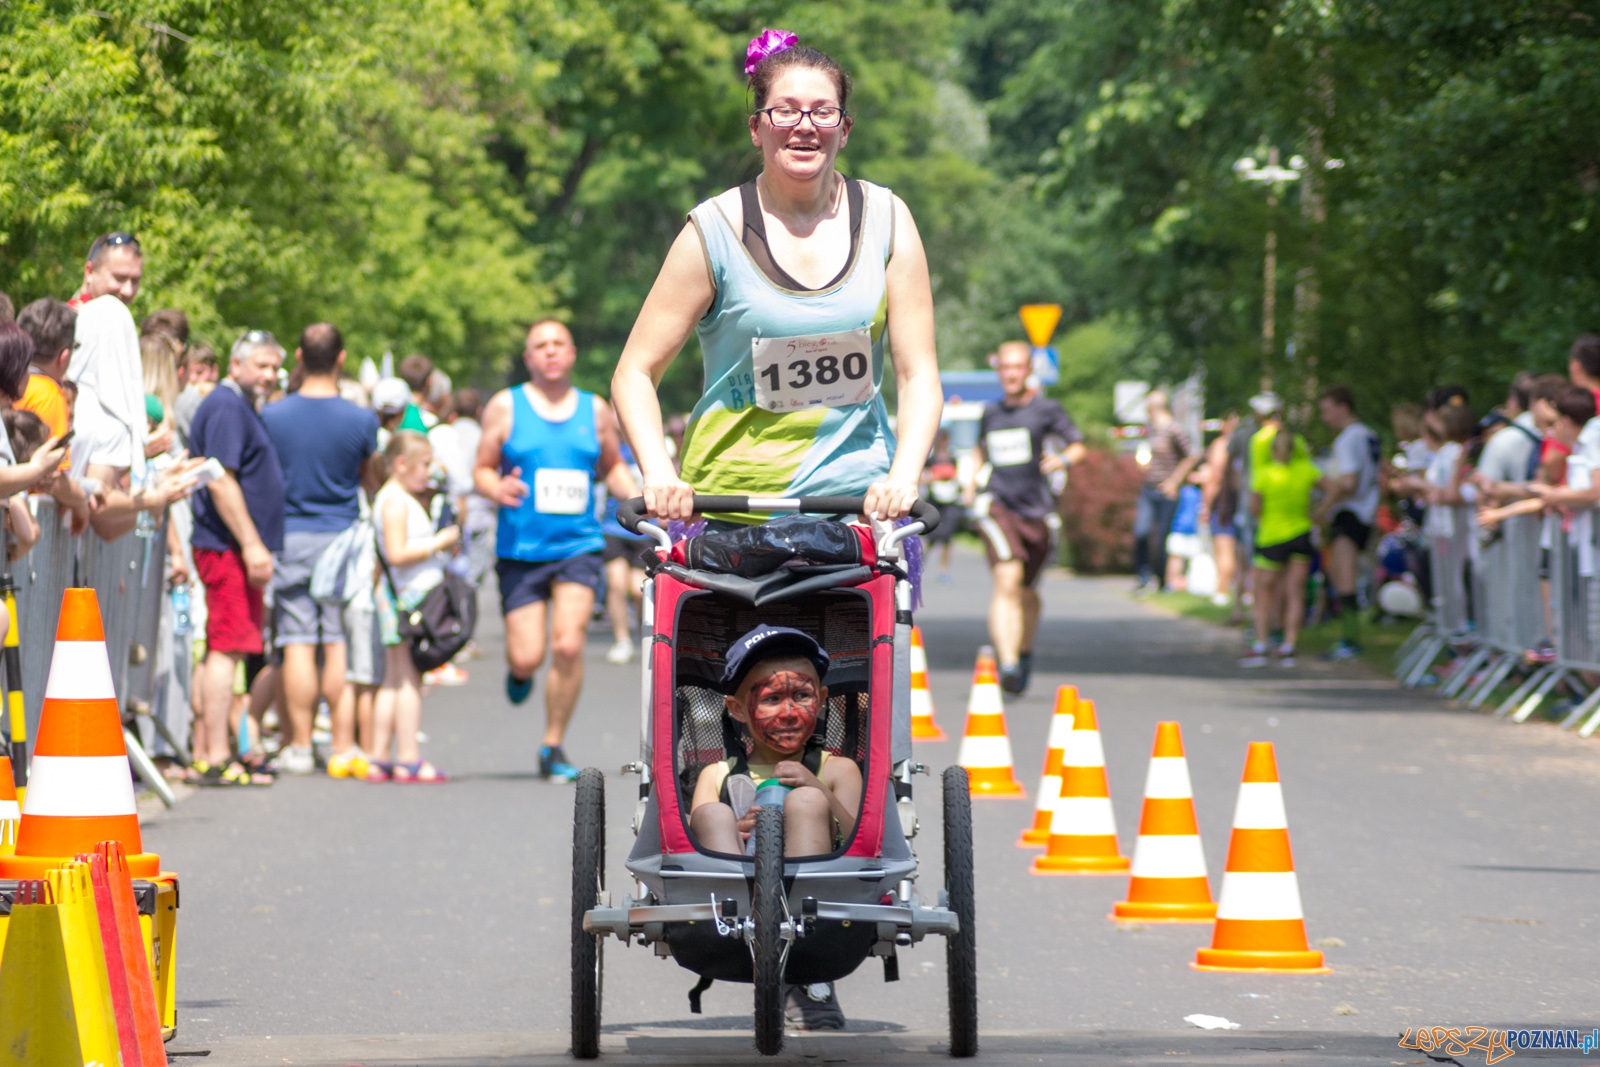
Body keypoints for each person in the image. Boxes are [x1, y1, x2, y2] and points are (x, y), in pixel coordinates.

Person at [609, 31, 942, 1031]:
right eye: (784, 109)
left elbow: (920, 372)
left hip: (845, 513)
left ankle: (831, 880)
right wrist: (660, 474)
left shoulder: (887, 220)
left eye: (820, 110)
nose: (803, 124)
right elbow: (634, 370)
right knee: (706, 694)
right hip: (726, 515)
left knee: (846, 693)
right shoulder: (713, 229)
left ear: (843, 124)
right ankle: (711, 852)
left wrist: (901, 475)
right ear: (757, 125)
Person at [474, 320, 637, 781]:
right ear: (528, 358)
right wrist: (496, 486)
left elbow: (613, 468)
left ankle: (552, 744)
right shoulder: (506, 406)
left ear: (572, 354)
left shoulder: (595, 409)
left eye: (558, 344)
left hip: (578, 546)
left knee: (568, 644)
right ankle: (520, 672)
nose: (549, 352)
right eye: (539, 346)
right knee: (527, 655)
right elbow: (482, 469)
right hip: (521, 550)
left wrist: (641, 505)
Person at [261, 324, 380, 776]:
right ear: (341, 358)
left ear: (297, 355)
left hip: (289, 535)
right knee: (336, 642)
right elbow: (370, 479)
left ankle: (299, 743)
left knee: (295, 640)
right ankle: (342, 742)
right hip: (341, 537)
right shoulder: (361, 419)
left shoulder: (273, 416)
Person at [189, 331, 287, 787]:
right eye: (261, 366)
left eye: (274, 368)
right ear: (236, 364)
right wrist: (250, 542)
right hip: (226, 546)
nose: (269, 375)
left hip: (234, 547)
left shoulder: (243, 405)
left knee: (230, 648)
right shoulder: (228, 406)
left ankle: (224, 749)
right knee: (225, 650)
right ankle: (213, 755)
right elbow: (219, 479)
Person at [970, 341, 1084, 694]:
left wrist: (1062, 460)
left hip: (1036, 511)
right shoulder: (990, 414)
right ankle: (1006, 664)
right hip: (998, 507)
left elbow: (1077, 446)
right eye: (1005, 367)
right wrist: (973, 482)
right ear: (998, 370)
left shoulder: (1047, 410)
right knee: (1008, 580)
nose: (1011, 374)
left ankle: (1023, 653)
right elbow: (979, 450)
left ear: (1028, 370)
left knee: (1027, 592)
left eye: (1017, 367)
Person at [690, 625, 862, 857]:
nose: (789, 712)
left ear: (821, 699)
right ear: (737, 709)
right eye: (771, 698)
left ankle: (802, 889)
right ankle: (733, 889)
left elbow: (862, 844)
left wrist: (817, 787)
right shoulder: (716, 776)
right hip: (736, 879)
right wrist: (735, 828)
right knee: (711, 814)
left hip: (822, 884)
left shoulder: (838, 771)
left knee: (807, 801)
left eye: (802, 696)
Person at [69, 294, 198, 542]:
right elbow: (101, 504)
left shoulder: (66, 396)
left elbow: (105, 523)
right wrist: (155, 496)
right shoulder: (111, 415)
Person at [368, 431, 455, 783]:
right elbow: (397, 552)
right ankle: (407, 757)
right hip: (404, 598)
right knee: (407, 679)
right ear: (401, 464)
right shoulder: (395, 500)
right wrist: (439, 542)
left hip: (394, 597)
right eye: (423, 464)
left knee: (392, 678)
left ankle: (378, 756)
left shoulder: (393, 496)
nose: (429, 472)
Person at [1241, 424, 1326, 668]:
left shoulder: (1264, 473)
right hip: (1300, 532)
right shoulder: (1306, 469)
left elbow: (1255, 507)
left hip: (1271, 535)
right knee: (1295, 592)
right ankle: (1289, 643)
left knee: (1263, 593)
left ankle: (1261, 642)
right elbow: (1334, 488)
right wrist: (1318, 513)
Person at [1313, 385, 1381, 661]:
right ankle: (1349, 636)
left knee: (1343, 574)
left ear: (1343, 407)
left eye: (1327, 411)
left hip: (1350, 512)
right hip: (1366, 511)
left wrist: (1323, 507)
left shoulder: (1347, 439)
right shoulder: (1368, 434)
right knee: (1343, 572)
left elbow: (1348, 482)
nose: (1325, 418)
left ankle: (1350, 638)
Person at [1133, 388, 1199, 593]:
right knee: (1141, 531)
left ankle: (1162, 581)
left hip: (1166, 490)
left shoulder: (1174, 429)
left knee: (1162, 538)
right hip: (1149, 488)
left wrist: (1174, 481)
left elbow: (1191, 455)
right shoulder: (1150, 429)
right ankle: (1143, 576)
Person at [600, 438, 650, 664]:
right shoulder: (612, 453)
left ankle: (645, 632)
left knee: (638, 590)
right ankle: (622, 640)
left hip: (646, 531)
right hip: (614, 527)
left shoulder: (652, 451)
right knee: (616, 584)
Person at [1200, 412, 1240, 609]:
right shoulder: (1251, 445)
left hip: (1224, 503)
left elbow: (1214, 478)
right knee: (1239, 551)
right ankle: (1244, 592)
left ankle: (1222, 590)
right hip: (1243, 502)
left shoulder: (1220, 446)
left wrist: (1206, 506)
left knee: (1223, 549)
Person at [921, 428, 961, 582]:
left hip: (950, 500)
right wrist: (936, 477)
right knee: (931, 538)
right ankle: (921, 563)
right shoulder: (930, 460)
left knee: (947, 538)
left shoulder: (953, 458)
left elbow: (957, 477)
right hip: (934, 500)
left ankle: (944, 570)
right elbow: (922, 478)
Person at [69, 232, 143, 308]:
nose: (128, 291)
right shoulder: (67, 318)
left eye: (135, 281)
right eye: (120, 278)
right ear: (90, 272)